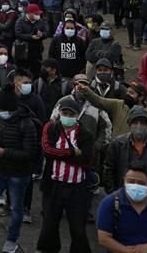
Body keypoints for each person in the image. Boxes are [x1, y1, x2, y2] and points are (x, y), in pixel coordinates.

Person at [0, 85, 39, 253]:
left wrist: (5, 152)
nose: (0, 112)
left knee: (16, 209)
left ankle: (11, 240)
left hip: (19, 174)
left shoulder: (27, 124)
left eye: (2, 110)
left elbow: (30, 153)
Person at [36, 98, 94, 253]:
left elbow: (87, 159)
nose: (67, 117)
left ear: (77, 116)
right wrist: (71, 152)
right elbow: (47, 150)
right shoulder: (51, 128)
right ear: (59, 113)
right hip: (53, 185)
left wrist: (60, 155)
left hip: (77, 188)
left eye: (71, 114)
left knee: (78, 228)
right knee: (49, 225)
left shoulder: (85, 134)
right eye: (64, 113)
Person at [96, 162, 147, 253]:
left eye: (141, 183)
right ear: (124, 181)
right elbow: (104, 238)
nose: (135, 186)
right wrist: (127, 251)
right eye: (131, 182)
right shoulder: (110, 203)